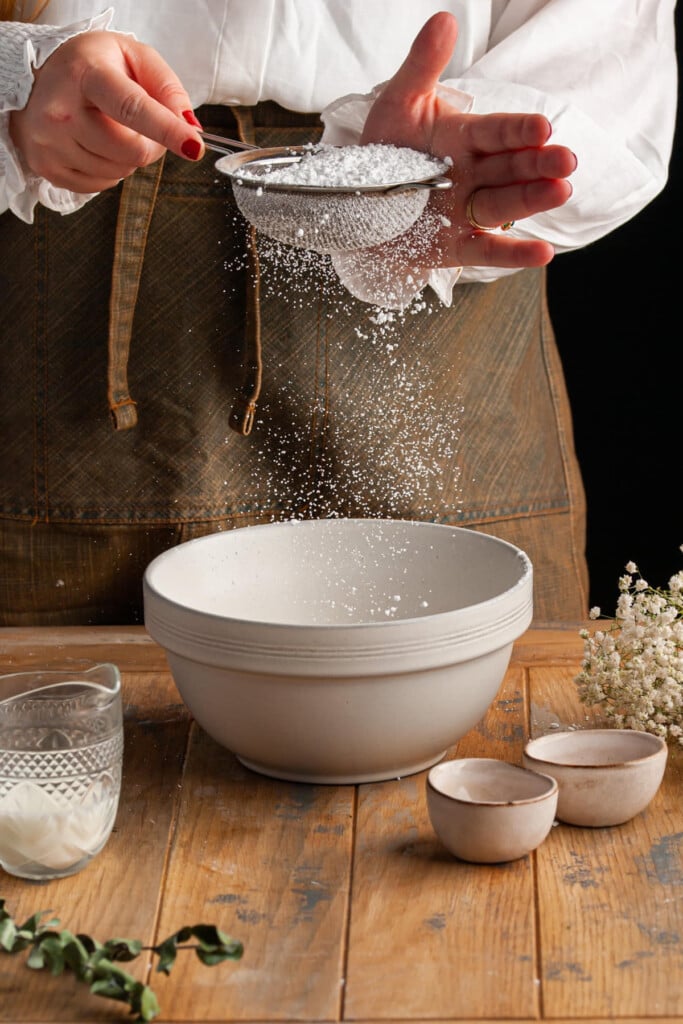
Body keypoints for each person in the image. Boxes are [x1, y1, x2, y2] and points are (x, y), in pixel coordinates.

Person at [0, 2, 676, 627]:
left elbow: (607, 51)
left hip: (440, 280)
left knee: (488, 720)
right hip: (73, 291)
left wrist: (480, 157)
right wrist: (14, 87)